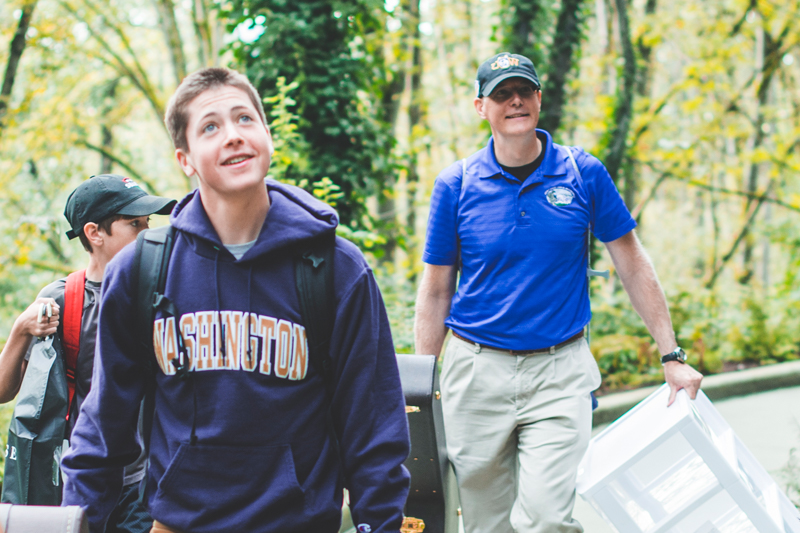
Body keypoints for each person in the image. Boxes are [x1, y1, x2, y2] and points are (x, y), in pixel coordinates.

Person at [61, 67, 410, 533]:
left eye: (245, 119)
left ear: (267, 136)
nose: (233, 136)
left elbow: (374, 431)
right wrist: (71, 523)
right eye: (210, 126)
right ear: (184, 158)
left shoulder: (335, 269)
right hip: (179, 524)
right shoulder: (142, 271)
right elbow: (103, 429)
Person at [414, 52, 704, 533]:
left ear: (539, 100)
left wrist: (670, 354)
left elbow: (631, 261)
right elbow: (437, 288)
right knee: (485, 525)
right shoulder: (457, 184)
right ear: (480, 106)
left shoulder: (582, 173)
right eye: (502, 94)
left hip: (559, 371)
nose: (515, 101)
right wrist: (423, 385)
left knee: (546, 519)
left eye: (524, 91)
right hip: (475, 373)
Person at [0, 174, 176, 533]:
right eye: (133, 224)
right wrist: (20, 328)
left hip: (146, 486)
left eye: (148, 223)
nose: (148, 234)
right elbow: (3, 392)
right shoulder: (63, 300)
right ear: (94, 233)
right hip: (78, 484)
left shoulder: (163, 293)